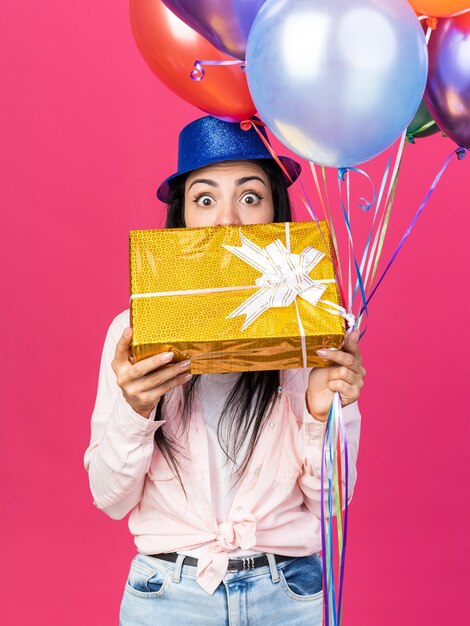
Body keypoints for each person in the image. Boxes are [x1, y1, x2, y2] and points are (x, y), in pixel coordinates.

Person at [84, 116, 365, 626]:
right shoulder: (133, 333)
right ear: (183, 217)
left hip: (290, 595)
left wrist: (322, 413)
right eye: (206, 199)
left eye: (251, 197)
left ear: (275, 209)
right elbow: (109, 498)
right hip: (167, 596)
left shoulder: (311, 324)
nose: (228, 221)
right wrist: (136, 408)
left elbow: (330, 505)